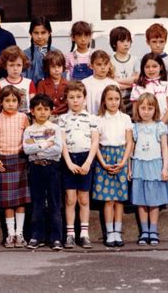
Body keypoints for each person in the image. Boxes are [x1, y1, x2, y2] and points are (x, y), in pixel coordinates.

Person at [59, 81, 99, 249]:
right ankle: (70, 234)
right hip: (69, 160)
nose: (75, 100)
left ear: (84, 98)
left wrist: (88, 162)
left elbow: (95, 141)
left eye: (78, 97)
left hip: (85, 159)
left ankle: (84, 233)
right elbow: (62, 143)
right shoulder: (62, 119)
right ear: (66, 99)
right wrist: (68, 162)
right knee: (70, 199)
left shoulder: (92, 118)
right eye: (71, 97)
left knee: (83, 198)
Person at [92, 85, 133, 247]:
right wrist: (103, 163)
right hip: (105, 157)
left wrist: (123, 162)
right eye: (110, 99)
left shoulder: (125, 119)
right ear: (104, 101)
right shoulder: (98, 119)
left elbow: (129, 142)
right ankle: (109, 232)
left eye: (116, 99)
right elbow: (95, 144)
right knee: (108, 200)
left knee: (119, 199)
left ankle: (118, 231)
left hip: (121, 157)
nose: (113, 102)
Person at [129, 92, 168, 246]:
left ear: (155, 110)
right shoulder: (135, 127)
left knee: (153, 200)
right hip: (139, 165)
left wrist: (165, 168)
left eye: (150, 108)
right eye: (143, 108)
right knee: (141, 200)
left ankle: (153, 230)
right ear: (138, 109)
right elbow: (131, 150)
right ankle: (144, 231)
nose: (146, 111)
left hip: (155, 165)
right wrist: (129, 168)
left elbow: (165, 149)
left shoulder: (159, 126)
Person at [0, 85, 31, 248]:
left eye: (14, 100)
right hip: (4, 161)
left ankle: (20, 234)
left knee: (20, 200)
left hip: (20, 160)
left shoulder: (23, 118)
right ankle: (10, 234)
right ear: (1, 102)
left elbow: (29, 139)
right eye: (7, 100)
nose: (10, 104)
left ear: (19, 102)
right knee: (8, 202)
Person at [23, 94, 63, 251]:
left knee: (54, 203)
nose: (42, 112)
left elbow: (57, 149)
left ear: (51, 111)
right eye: (39, 109)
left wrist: (38, 147)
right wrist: (46, 144)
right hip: (36, 168)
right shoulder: (29, 130)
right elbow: (27, 149)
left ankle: (56, 238)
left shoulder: (55, 128)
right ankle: (36, 236)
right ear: (32, 111)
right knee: (37, 203)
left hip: (52, 168)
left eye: (46, 109)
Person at [133, 23, 168, 89]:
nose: (158, 45)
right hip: (148, 96)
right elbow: (138, 79)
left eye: (161, 41)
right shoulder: (141, 60)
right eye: (154, 41)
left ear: (165, 41)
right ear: (148, 42)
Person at [130, 53, 168, 124]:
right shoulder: (138, 87)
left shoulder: (167, 85)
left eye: (154, 66)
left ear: (161, 67)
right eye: (147, 67)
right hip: (143, 126)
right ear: (142, 68)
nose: (151, 69)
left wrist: (161, 125)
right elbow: (135, 110)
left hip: (162, 124)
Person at [0, 46, 36, 115]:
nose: (15, 68)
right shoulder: (0, 84)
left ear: (23, 65)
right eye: (11, 65)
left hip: (25, 120)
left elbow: (34, 106)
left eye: (18, 65)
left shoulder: (29, 83)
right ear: (5, 66)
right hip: (5, 120)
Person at [109, 26, 139, 116]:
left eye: (128, 41)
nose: (126, 44)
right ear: (114, 43)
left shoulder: (135, 60)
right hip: (116, 100)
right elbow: (110, 82)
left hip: (134, 99)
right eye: (122, 41)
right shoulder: (109, 61)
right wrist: (131, 82)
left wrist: (117, 81)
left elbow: (137, 80)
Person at [81, 50, 120, 116]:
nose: (103, 67)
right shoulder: (85, 83)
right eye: (99, 64)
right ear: (91, 66)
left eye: (106, 64)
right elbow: (82, 106)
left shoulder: (114, 84)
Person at [23, 16, 58, 85]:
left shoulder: (56, 53)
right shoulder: (25, 54)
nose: (40, 36)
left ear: (49, 33)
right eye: (36, 33)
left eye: (43, 32)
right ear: (31, 33)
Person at [36, 50, 68, 122]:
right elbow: (39, 103)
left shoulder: (68, 84)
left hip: (64, 117)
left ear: (63, 67)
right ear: (47, 68)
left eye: (59, 66)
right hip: (46, 117)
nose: (57, 70)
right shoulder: (42, 84)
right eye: (53, 67)